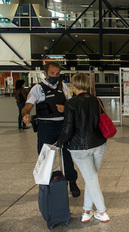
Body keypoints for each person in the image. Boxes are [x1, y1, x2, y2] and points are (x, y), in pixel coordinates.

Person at [22, 61, 80, 197]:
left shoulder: (63, 87)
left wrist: (65, 108)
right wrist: (25, 114)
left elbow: (71, 105)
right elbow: (28, 105)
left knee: (66, 156)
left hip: (62, 126)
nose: (55, 76)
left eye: (57, 74)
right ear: (45, 73)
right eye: (52, 73)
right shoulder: (37, 88)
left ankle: (72, 182)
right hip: (45, 127)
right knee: (45, 156)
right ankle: (45, 184)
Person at [57, 73, 109, 223]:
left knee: (91, 179)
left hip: (79, 148)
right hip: (99, 144)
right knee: (90, 178)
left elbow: (67, 129)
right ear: (87, 84)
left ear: (73, 86)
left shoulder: (71, 103)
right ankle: (86, 210)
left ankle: (102, 211)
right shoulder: (96, 100)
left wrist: (60, 142)